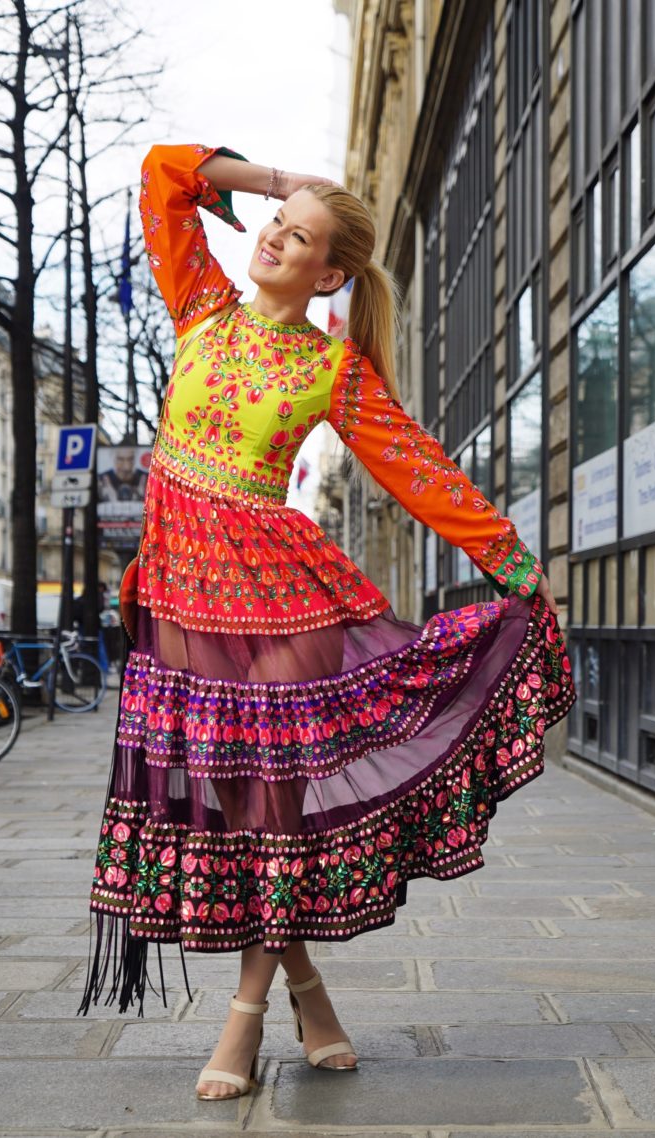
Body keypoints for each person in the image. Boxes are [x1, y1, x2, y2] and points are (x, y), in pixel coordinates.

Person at [80, 144, 575, 1102]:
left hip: (282, 608)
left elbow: (418, 469)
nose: (274, 239)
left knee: (274, 818)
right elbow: (162, 171)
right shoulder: (201, 308)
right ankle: (308, 988)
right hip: (180, 608)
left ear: (331, 273)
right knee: (237, 812)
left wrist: (510, 558)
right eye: (276, 225)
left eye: (299, 236)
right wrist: (279, 182)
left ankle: (246, 1017)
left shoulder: (332, 368)